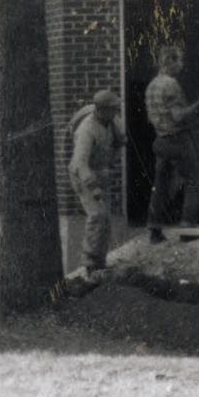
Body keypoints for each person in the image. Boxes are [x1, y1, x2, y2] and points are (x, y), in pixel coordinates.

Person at [145, 45, 199, 240]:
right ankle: (187, 227)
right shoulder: (171, 85)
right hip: (177, 138)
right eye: (179, 60)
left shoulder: (152, 86)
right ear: (170, 61)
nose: (182, 64)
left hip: (161, 138)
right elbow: (177, 116)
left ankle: (154, 229)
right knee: (194, 180)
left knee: (161, 185)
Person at [66, 89, 124, 280]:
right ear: (101, 110)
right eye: (112, 109)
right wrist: (93, 187)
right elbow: (80, 163)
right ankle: (89, 264)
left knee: (105, 218)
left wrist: (113, 158)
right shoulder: (86, 130)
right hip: (83, 175)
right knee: (97, 215)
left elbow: (119, 144)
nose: (115, 112)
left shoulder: (112, 123)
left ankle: (100, 261)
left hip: (100, 171)